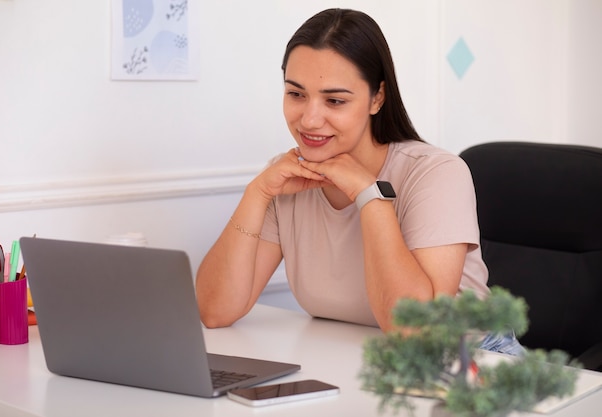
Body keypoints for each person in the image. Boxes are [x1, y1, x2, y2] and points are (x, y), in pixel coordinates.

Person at [196, 8, 524, 355]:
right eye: (296, 94)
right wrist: (257, 192)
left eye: (334, 100)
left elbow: (415, 331)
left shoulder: (436, 173)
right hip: (359, 356)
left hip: (472, 360)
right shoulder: (286, 179)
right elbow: (216, 311)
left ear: (377, 98)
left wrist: (370, 196)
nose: (309, 118)